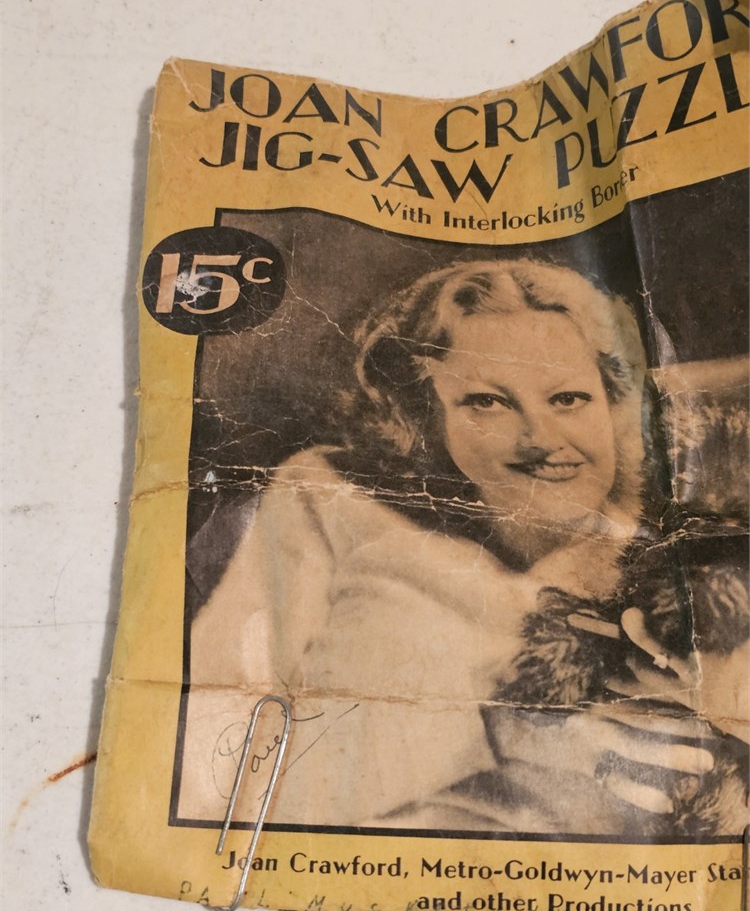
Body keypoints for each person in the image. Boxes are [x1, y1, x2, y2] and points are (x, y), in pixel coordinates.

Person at [186, 258, 747, 834]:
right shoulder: (334, 498)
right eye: (487, 402)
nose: (541, 438)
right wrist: (510, 736)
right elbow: (211, 734)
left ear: (613, 404)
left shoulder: (693, 548)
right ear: (428, 415)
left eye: (568, 398)